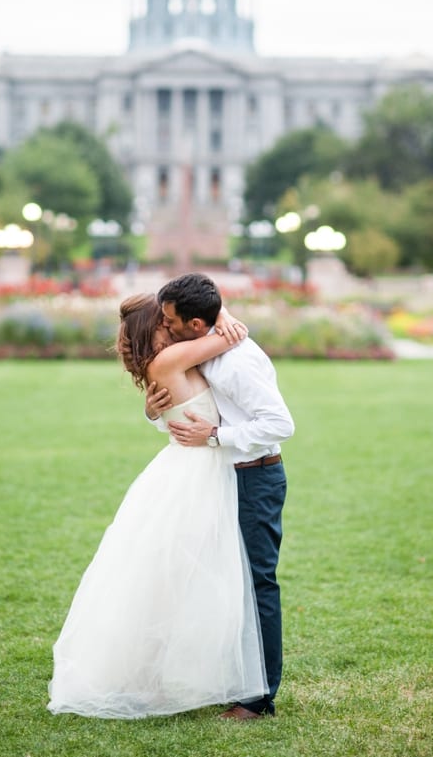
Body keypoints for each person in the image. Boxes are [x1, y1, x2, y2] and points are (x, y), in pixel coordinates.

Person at [47, 293, 268, 719]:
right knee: (187, 579)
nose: (176, 324)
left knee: (175, 579)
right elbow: (228, 336)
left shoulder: (166, 361)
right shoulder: (172, 359)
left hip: (189, 468)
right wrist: (223, 312)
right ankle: (170, 677)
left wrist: (153, 415)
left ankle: (172, 675)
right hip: (197, 474)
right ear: (158, 327)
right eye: (168, 321)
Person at [146, 273, 294, 720]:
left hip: (255, 479)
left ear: (194, 324)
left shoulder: (237, 361)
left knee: (256, 584)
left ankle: (259, 697)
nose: (165, 327)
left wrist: (215, 436)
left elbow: (279, 424)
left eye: (171, 321)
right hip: (219, 478)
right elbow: (189, 419)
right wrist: (155, 412)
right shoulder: (206, 346)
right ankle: (230, 679)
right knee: (220, 581)